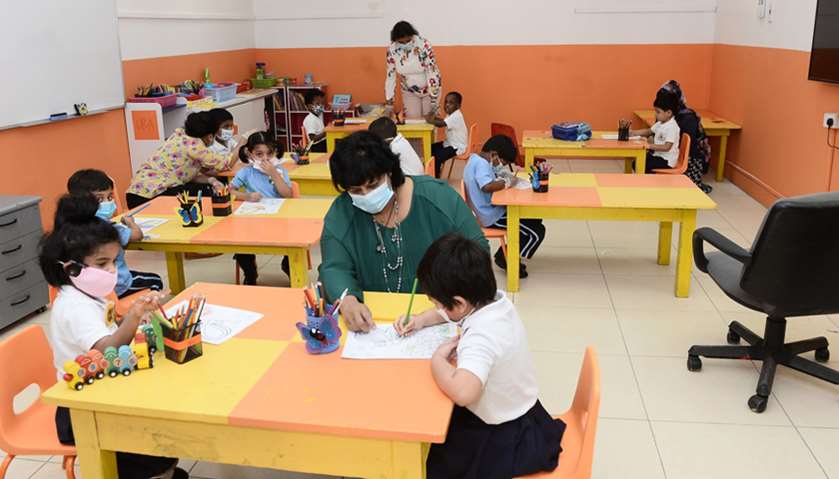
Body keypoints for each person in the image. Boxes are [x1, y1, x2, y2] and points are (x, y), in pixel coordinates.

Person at [39, 194, 187, 479]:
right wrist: (133, 318)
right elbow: (107, 348)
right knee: (152, 449)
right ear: (71, 268)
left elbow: (107, 327)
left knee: (161, 434)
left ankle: (163, 469)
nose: (111, 270)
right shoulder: (75, 306)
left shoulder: (88, 293)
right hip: (81, 409)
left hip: (103, 388)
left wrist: (130, 317)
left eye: (114, 261)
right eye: (102, 263)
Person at [395, 233, 565, 479]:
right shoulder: (495, 302)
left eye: (436, 303)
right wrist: (420, 320)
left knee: (433, 462)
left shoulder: (481, 336)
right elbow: (450, 312)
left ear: (459, 303)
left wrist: (438, 362)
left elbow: (464, 392)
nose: (436, 309)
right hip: (524, 413)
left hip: (504, 435)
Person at [318, 131, 488, 332]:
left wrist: (447, 306)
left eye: (373, 185)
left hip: (440, 316)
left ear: (390, 172)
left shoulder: (438, 198)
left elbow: (478, 251)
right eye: (356, 190)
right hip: (372, 323)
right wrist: (347, 300)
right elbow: (334, 267)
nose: (366, 195)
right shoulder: (342, 213)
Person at [67, 169, 163, 298]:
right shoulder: (111, 229)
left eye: (110, 197)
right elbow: (137, 235)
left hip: (88, 287)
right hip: (119, 285)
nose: (107, 203)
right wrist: (130, 223)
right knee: (156, 280)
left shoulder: (71, 227)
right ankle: (143, 307)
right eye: (100, 199)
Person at [463, 135, 546, 279]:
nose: (502, 164)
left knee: (534, 218)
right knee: (537, 232)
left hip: (490, 210)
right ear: (494, 154)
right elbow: (486, 186)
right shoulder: (482, 164)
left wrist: (500, 172)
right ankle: (509, 260)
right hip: (491, 216)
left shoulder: (475, 159)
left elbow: (489, 177)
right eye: (503, 161)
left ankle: (505, 253)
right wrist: (506, 182)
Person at [126, 111, 239, 209]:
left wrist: (212, 180)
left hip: (135, 193)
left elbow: (188, 175)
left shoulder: (179, 135)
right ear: (209, 136)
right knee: (208, 192)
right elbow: (226, 164)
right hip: (149, 196)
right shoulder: (195, 146)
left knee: (206, 189)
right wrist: (242, 143)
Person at [225, 132, 293, 284]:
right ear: (250, 154)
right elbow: (228, 191)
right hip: (253, 220)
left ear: (275, 152)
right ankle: (250, 273)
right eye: (259, 154)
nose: (265, 159)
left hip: (279, 220)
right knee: (240, 242)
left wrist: (274, 174)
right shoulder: (246, 172)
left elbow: (288, 195)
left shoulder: (280, 171)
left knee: (293, 240)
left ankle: (288, 267)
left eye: (269, 153)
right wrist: (246, 196)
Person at [659, 80, 713, 193]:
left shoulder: (688, 117)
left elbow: (690, 148)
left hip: (689, 159)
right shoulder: (669, 113)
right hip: (672, 152)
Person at [385, 21, 442, 119]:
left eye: (408, 41)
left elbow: (431, 71)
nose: (405, 44)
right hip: (409, 90)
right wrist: (389, 102)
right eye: (401, 42)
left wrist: (433, 99)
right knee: (412, 120)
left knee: (429, 120)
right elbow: (390, 75)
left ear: (412, 36)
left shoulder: (423, 45)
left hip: (429, 89)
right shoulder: (392, 50)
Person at [630, 90, 681, 173]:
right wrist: (633, 133)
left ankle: (651, 179)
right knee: (636, 162)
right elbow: (648, 131)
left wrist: (648, 146)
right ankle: (647, 178)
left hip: (667, 160)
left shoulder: (672, 127)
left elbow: (667, 147)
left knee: (642, 164)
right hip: (658, 156)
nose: (655, 114)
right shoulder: (660, 123)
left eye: (658, 112)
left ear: (668, 113)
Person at [427, 92, 468, 178]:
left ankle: (435, 178)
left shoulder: (456, 116)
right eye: (446, 102)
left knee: (437, 156)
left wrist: (430, 120)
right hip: (449, 144)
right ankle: (432, 171)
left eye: (451, 103)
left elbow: (441, 124)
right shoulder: (451, 115)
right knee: (430, 148)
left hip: (457, 147)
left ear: (458, 106)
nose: (447, 105)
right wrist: (434, 118)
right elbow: (442, 121)